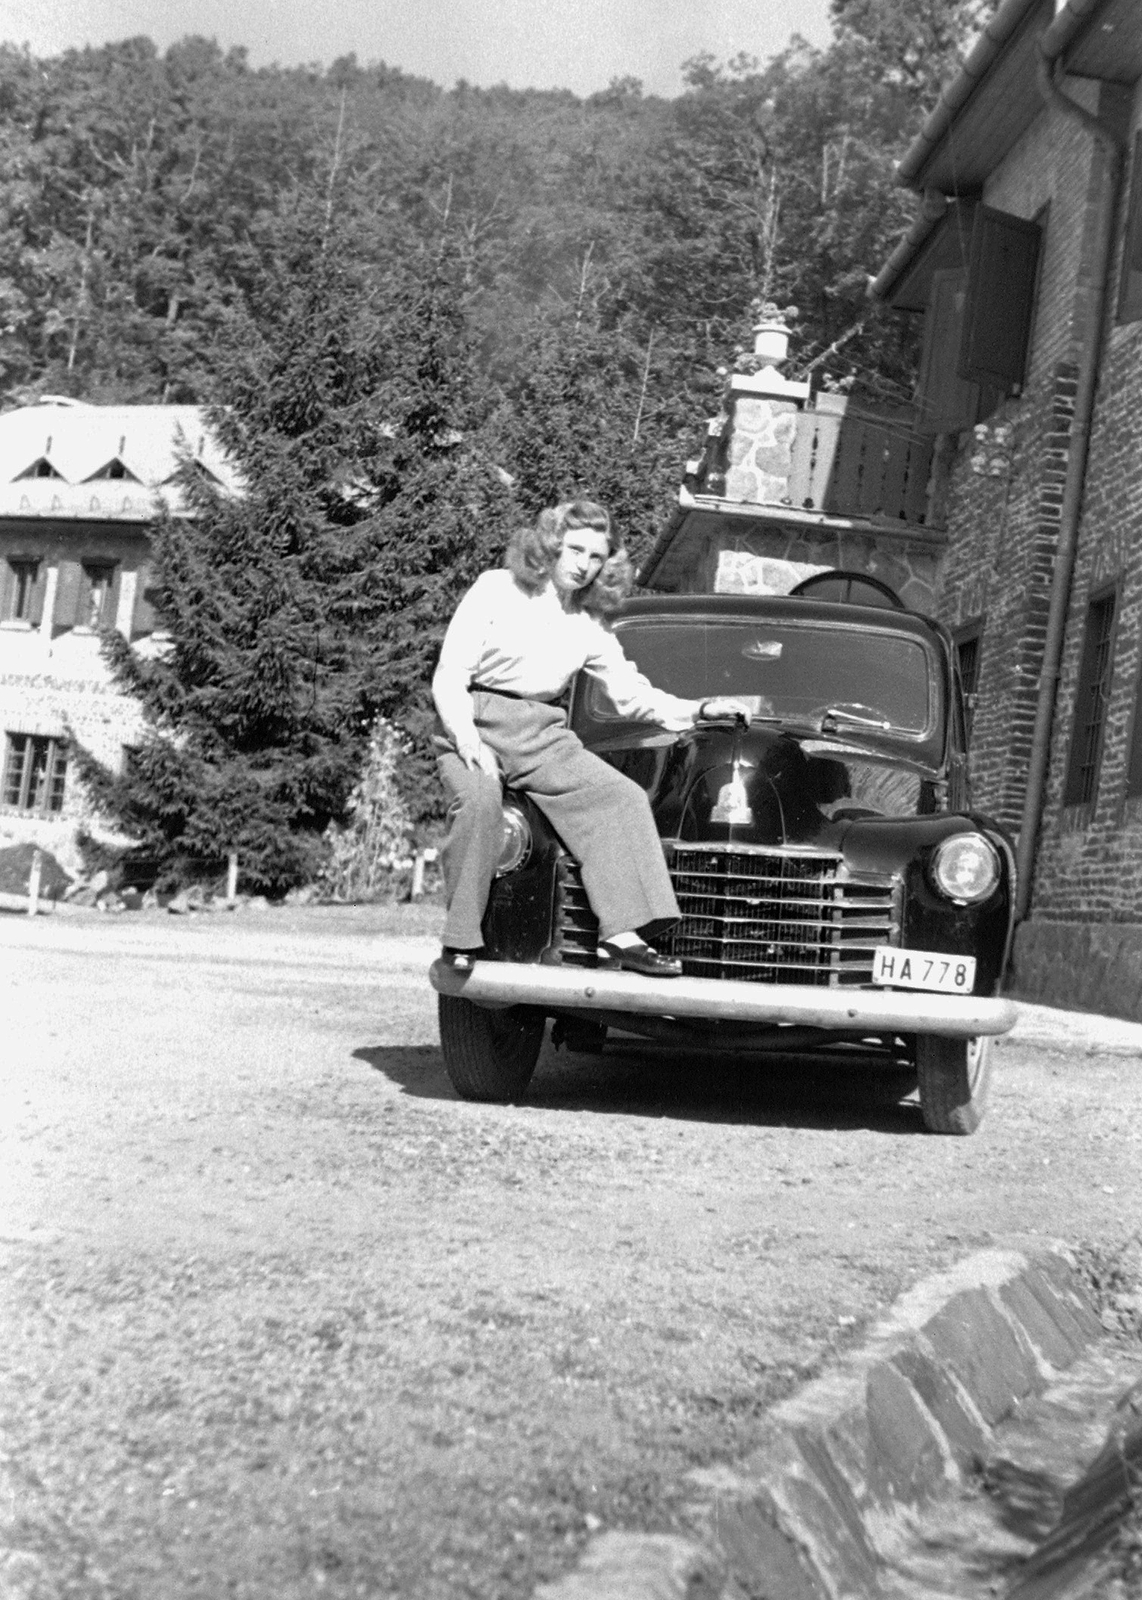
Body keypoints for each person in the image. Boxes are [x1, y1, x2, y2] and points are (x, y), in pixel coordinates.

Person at [431, 499, 751, 977]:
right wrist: (467, 739)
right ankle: (461, 941)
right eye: (574, 549)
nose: (583, 564)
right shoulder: (496, 589)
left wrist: (698, 710)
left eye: (596, 557)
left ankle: (620, 936)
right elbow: (449, 673)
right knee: (481, 800)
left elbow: (631, 695)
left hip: (542, 732)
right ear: (551, 545)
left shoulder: (589, 624)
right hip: (474, 719)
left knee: (619, 797)